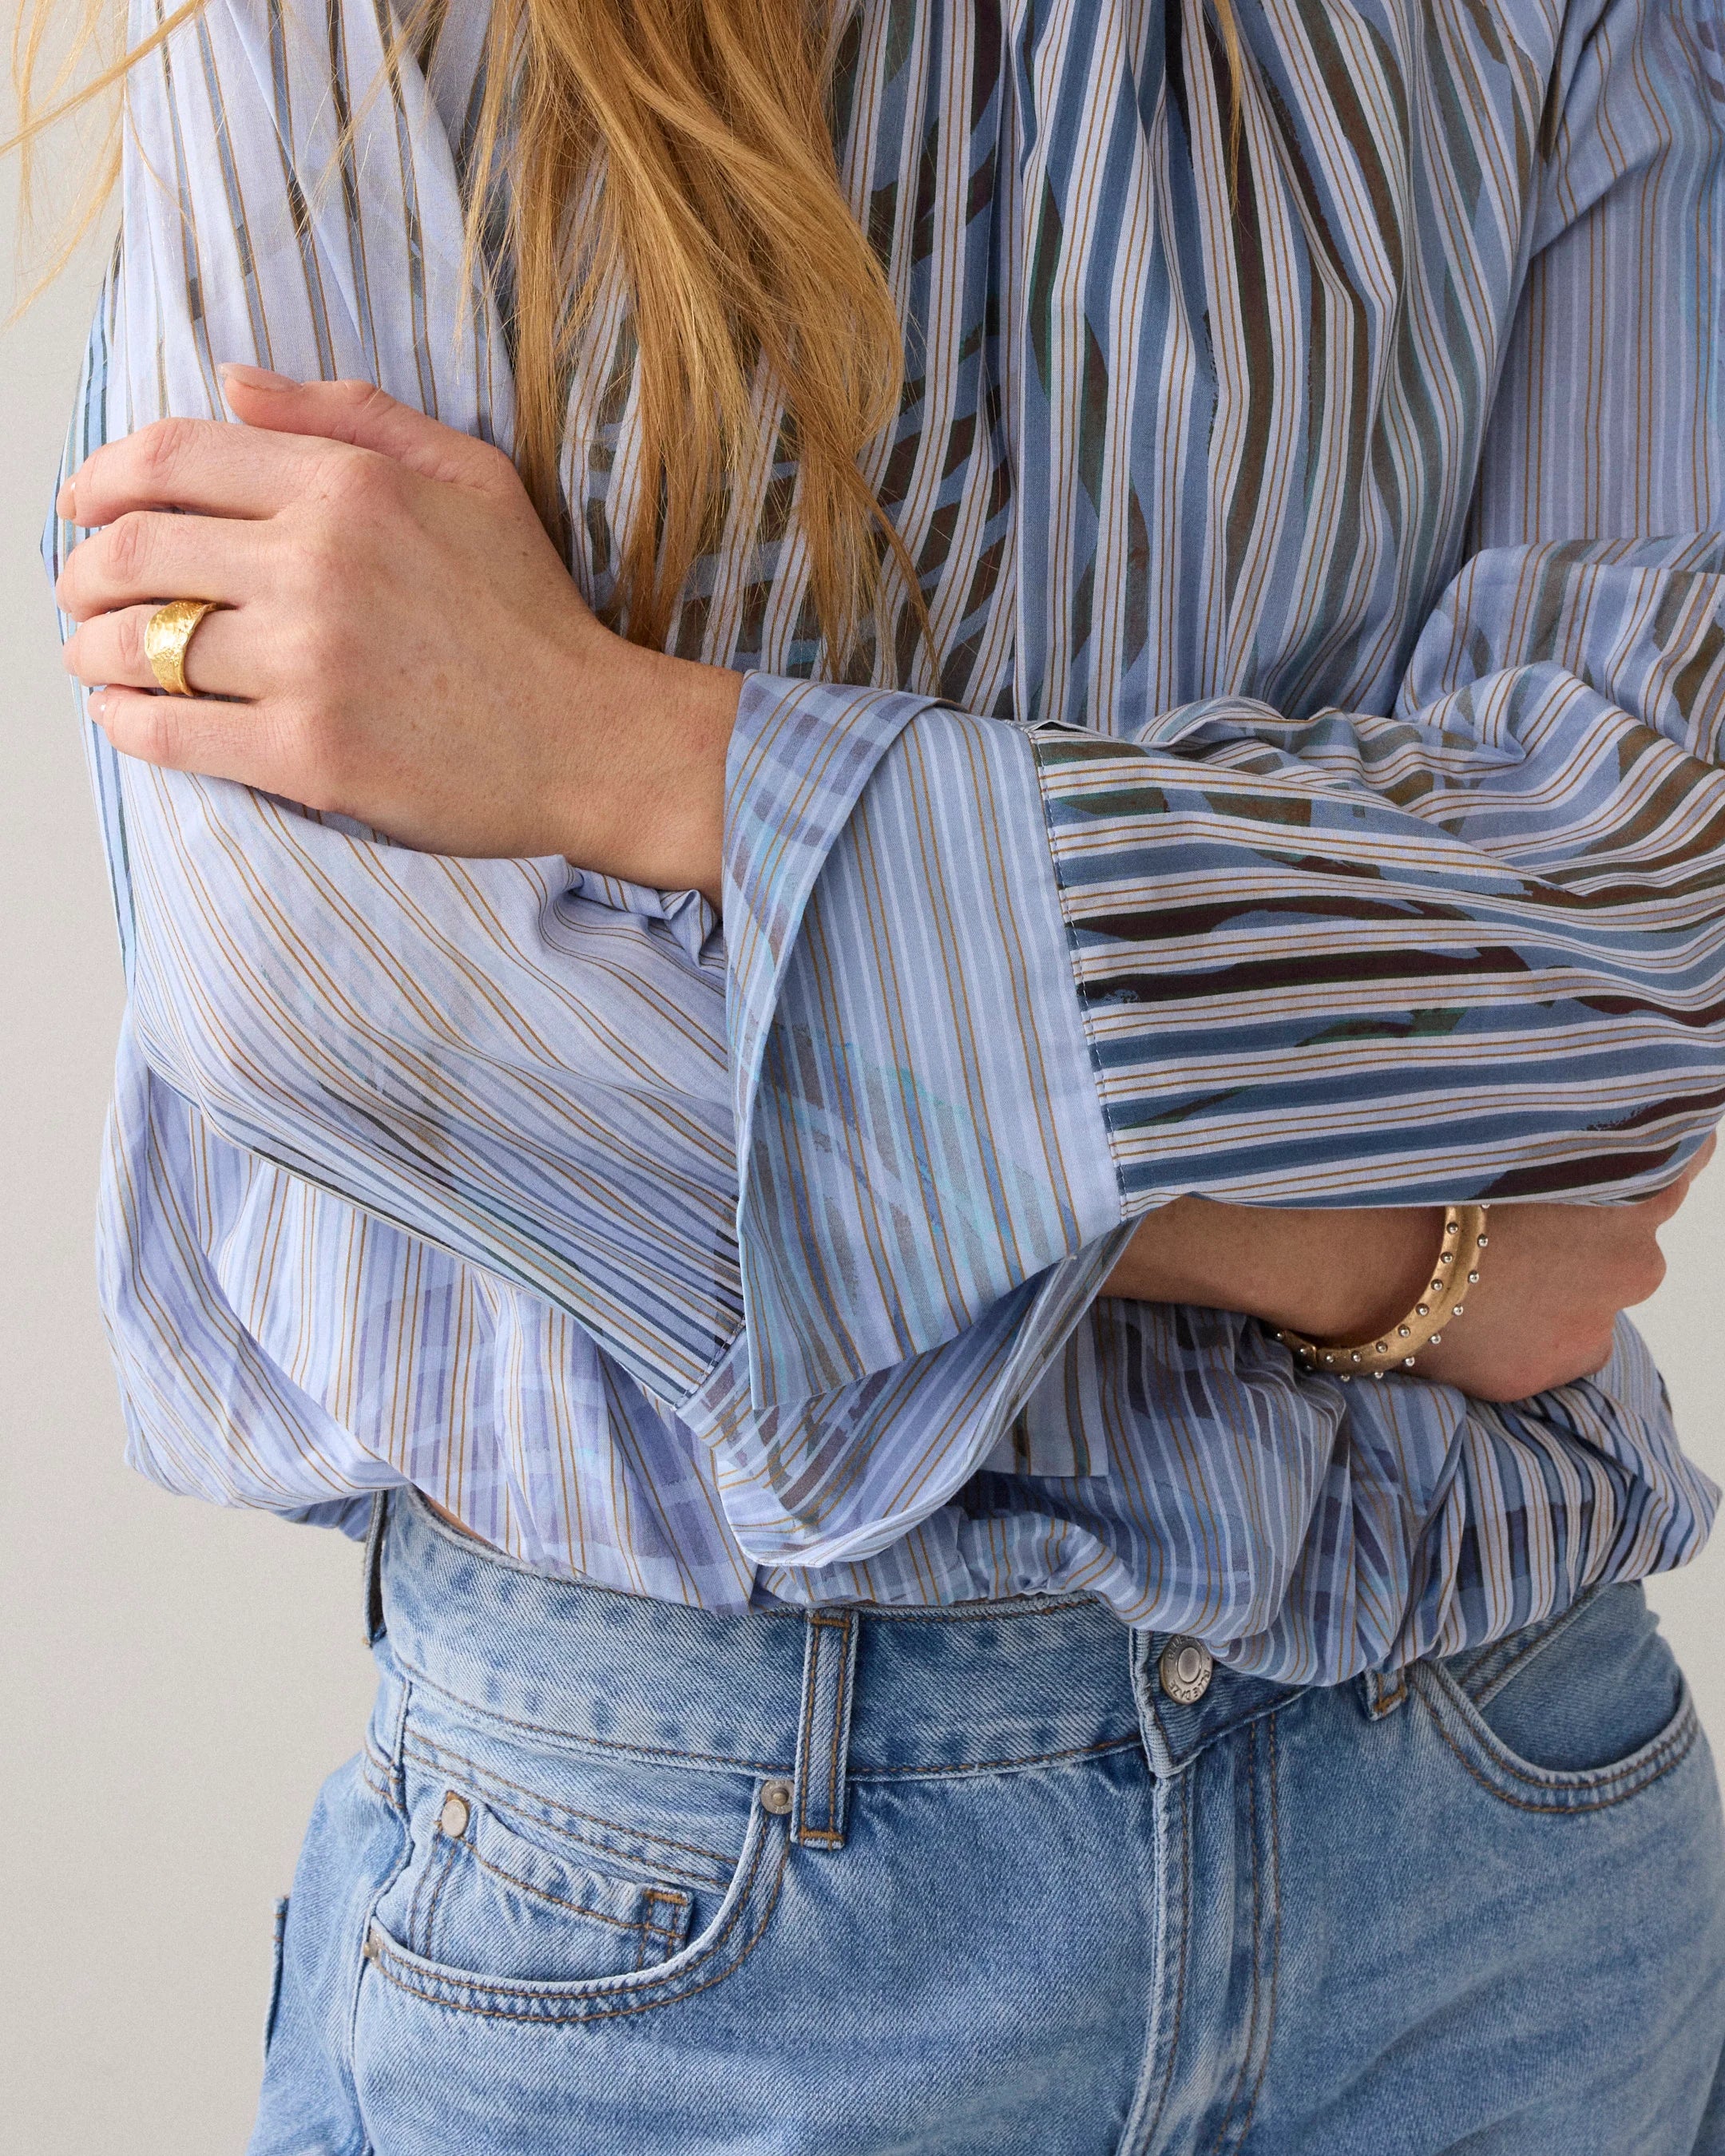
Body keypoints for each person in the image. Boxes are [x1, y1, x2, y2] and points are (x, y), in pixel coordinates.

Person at [14, 0, 1725, 2141]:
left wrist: (642, 754)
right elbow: (346, 988)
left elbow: (1643, 909)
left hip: (1491, 1870)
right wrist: (1331, 1238)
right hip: (692, 1925)